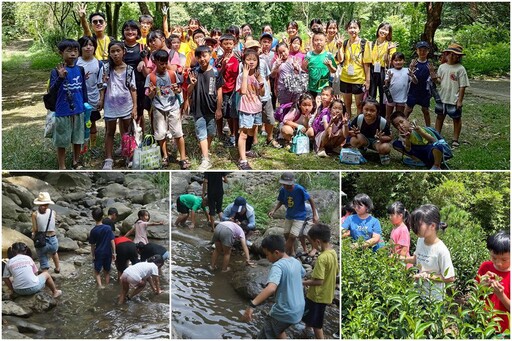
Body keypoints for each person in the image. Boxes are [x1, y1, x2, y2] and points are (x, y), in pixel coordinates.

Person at [242, 235, 305, 339]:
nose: (267, 258)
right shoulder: (295, 262)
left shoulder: (278, 266)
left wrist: (252, 305)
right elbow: (302, 273)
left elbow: (271, 288)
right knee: (278, 329)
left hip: (284, 312)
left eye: (267, 255)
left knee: (264, 335)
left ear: (276, 253)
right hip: (298, 310)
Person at [145, 49, 190, 169]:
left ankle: (183, 157)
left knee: (178, 132)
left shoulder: (172, 74)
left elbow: (179, 89)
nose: (164, 66)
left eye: (166, 63)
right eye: (161, 63)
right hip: (158, 107)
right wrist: (152, 92)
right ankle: (165, 156)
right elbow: (149, 95)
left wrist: (177, 90)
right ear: (155, 62)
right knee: (160, 133)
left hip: (173, 106)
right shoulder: (151, 77)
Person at [49, 39, 88, 170]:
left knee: (78, 137)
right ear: (61, 53)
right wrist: (60, 77)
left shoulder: (80, 69)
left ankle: (76, 161)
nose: (73, 53)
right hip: (62, 110)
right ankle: (62, 165)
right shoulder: (56, 71)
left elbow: (83, 88)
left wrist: (85, 104)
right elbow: (52, 91)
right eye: (69, 51)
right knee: (62, 139)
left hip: (78, 108)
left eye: (75, 50)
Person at [403, 204, 455, 301]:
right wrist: (399, 258)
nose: (415, 228)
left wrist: (427, 276)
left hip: (433, 300)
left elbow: (450, 278)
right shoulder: (420, 240)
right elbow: (416, 258)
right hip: (418, 294)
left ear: (432, 226)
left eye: (418, 225)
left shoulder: (441, 250)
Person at [98, 40, 137, 170]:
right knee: (110, 132)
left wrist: (135, 106)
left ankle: (129, 156)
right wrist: (101, 100)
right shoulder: (105, 69)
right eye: (112, 51)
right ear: (109, 54)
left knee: (127, 132)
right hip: (110, 105)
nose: (115, 54)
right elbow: (102, 86)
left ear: (123, 52)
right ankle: (108, 159)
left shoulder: (129, 70)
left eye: (118, 51)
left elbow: (133, 89)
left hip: (126, 105)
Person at [187, 45, 224, 170]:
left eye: (205, 55)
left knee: (211, 132)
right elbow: (188, 91)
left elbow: (219, 91)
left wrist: (219, 108)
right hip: (198, 108)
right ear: (196, 58)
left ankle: (205, 151)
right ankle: (205, 159)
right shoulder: (194, 72)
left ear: (210, 55)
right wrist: (192, 84)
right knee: (201, 133)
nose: (202, 59)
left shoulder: (215, 72)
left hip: (211, 107)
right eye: (199, 56)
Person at [268, 172, 319, 256]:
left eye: (288, 185)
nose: (286, 186)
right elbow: (281, 201)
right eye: (284, 184)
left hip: (300, 216)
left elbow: (310, 200)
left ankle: (282, 254)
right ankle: (292, 252)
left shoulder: (299, 189)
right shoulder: (283, 190)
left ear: (292, 182)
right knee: (286, 234)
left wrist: (314, 214)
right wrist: (274, 210)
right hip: (289, 215)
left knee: (293, 236)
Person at [302, 223, 338, 339]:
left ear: (317, 242)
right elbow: (336, 272)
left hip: (318, 296)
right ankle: (306, 331)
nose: (312, 245)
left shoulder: (322, 258)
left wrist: (303, 282)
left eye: (311, 243)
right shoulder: (332, 252)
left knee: (317, 325)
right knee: (309, 314)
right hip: (326, 294)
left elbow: (319, 281)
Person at [434, 43, 470, 149]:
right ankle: (436, 136)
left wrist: (459, 100)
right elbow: (440, 81)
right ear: (446, 54)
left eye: (456, 55)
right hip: (442, 97)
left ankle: (455, 139)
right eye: (451, 54)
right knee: (439, 116)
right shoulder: (442, 67)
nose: (453, 56)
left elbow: (462, 86)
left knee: (456, 118)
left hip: (453, 98)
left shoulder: (460, 69)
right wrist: (435, 78)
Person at [236, 49, 265, 170]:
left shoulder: (258, 75)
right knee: (243, 133)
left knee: (252, 131)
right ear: (243, 61)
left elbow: (262, 93)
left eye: (254, 59)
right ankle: (242, 160)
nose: (251, 62)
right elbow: (242, 91)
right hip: (246, 108)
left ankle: (247, 150)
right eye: (248, 59)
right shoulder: (241, 76)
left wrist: (260, 81)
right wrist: (245, 75)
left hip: (256, 107)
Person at [476, 230, 510, 334]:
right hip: (481, 322)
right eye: (494, 258)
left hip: (503, 330)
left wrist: (501, 295)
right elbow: (475, 294)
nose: (498, 263)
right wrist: (481, 286)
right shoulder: (485, 267)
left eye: (504, 259)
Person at [337, 20, 371, 117]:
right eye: (350, 28)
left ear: (359, 29)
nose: (352, 30)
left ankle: (358, 124)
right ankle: (348, 124)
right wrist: (339, 47)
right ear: (347, 30)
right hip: (345, 78)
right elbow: (340, 60)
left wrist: (367, 81)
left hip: (358, 79)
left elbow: (367, 64)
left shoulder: (365, 43)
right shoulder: (344, 43)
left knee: (359, 105)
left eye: (355, 27)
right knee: (347, 104)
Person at [344, 97, 392, 165]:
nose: (368, 113)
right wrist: (354, 133)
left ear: (377, 112)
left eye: (372, 110)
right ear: (362, 109)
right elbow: (349, 134)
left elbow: (389, 137)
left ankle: (383, 154)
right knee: (353, 140)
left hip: (377, 142)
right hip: (363, 140)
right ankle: (361, 149)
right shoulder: (359, 118)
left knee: (385, 147)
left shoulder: (382, 122)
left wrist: (381, 138)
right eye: (366, 109)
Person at [76, 36, 103, 155]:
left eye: (91, 45)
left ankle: (92, 147)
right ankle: (80, 147)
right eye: (85, 45)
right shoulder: (76, 62)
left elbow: (101, 83)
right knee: (79, 124)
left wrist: (101, 99)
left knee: (92, 123)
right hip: (78, 99)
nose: (88, 47)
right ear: (80, 48)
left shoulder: (98, 63)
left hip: (93, 98)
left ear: (94, 47)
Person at [404, 41, 436, 127]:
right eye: (420, 50)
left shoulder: (429, 64)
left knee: (425, 110)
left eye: (424, 50)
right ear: (417, 51)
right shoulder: (414, 63)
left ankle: (429, 128)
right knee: (408, 110)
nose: (422, 52)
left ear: (428, 51)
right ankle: (402, 126)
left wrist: (432, 72)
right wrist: (410, 68)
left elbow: (433, 79)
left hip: (424, 92)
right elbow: (409, 76)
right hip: (413, 90)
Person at [216, 34, 240, 148]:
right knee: (227, 113)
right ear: (221, 45)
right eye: (225, 44)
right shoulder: (219, 58)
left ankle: (234, 134)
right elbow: (217, 75)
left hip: (235, 89)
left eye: (230, 44)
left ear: (234, 44)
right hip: (224, 90)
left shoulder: (238, 57)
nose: (228, 46)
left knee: (234, 113)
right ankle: (229, 133)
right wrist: (224, 65)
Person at [369, 22, 397, 114]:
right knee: (371, 94)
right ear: (378, 29)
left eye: (386, 30)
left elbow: (390, 63)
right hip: (372, 69)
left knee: (383, 94)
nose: (383, 31)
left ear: (389, 32)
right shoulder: (372, 43)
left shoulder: (390, 45)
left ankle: (382, 115)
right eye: (382, 28)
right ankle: (371, 112)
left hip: (383, 70)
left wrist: (388, 52)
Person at [31, 192, 60, 273]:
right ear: (48, 204)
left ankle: (45, 273)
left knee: (42, 256)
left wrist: (33, 235)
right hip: (53, 239)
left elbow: (35, 229)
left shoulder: (35, 214)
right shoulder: (53, 212)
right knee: (54, 253)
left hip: (41, 240)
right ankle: (57, 268)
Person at [302, 31, 337, 98]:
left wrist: (329, 66)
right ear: (312, 42)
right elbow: (304, 68)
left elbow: (334, 70)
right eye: (316, 40)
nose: (318, 42)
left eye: (321, 40)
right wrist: (303, 66)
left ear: (325, 41)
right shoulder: (309, 55)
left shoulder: (328, 55)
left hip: (324, 88)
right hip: (311, 87)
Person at [384, 52, 417, 121]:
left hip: (402, 98)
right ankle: (387, 129)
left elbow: (416, 82)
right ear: (392, 62)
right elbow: (386, 85)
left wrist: (412, 76)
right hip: (390, 97)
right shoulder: (390, 71)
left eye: (400, 60)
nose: (398, 62)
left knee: (400, 116)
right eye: (396, 60)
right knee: (388, 116)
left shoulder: (407, 70)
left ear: (404, 61)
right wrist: (389, 79)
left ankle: (400, 130)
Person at [89, 207, 116, 288]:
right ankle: (107, 285)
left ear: (93, 218)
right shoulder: (108, 228)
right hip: (108, 252)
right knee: (107, 271)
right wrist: (114, 252)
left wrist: (93, 255)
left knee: (97, 271)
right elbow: (112, 241)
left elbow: (93, 245)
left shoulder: (93, 230)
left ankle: (100, 286)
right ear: (103, 216)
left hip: (99, 252)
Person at [387, 201, 412, 269]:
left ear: (400, 215)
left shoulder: (403, 229)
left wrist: (397, 263)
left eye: (392, 215)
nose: (390, 217)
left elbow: (404, 250)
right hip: (395, 261)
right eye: (389, 215)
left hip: (402, 265)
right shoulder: (395, 227)